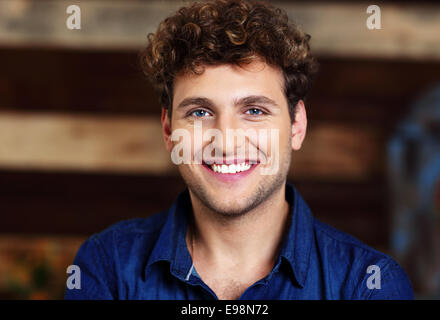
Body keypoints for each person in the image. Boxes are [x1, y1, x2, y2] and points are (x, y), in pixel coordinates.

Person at [65, 0, 414, 300]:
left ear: (297, 125)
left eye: (254, 111)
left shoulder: (367, 283)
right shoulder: (106, 266)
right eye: (200, 112)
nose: (227, 140)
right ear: (169, 130)